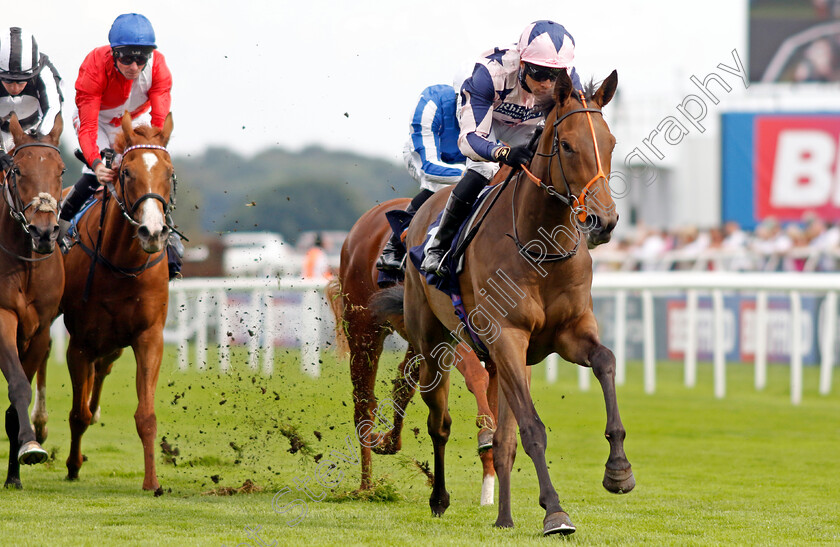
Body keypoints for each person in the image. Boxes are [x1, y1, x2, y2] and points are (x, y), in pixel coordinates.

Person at [421, 20, 582, 276]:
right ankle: (438, 247)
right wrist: (503, 153)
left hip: (527, 123)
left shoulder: (570, 79)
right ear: (521, 63)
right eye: (539, 73)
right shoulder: (487, 73)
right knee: (483, 169)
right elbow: (470, 139)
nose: (546, 84)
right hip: (487, 120)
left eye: (555, 76)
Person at [57, 13, 181, 260]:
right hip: (97, 122)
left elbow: (158, 123)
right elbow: (89, 128)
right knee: (107, 170)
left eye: (141, 58)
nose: (134, 67)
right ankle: (60, 227)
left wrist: (153, 155)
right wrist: (95, 163)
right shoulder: (94, 65)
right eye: (126, 58)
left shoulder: (158, 67)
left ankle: (169, 237)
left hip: (134, 121)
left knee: (146, 172)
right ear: (114, 53)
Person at [376, 83, 467, 271]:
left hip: (465, 157)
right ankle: (392, 248)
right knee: (441, 187)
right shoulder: (433, 101)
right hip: (427, 157)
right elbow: (429, 168)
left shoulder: (496, 103)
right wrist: (469, 174)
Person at [0, 27, 63, 171]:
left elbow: (53, 109)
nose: (15, 88)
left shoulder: (45, 71)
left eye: (22, 81)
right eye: (8, 81)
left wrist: (38, 139)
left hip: (32, 129)